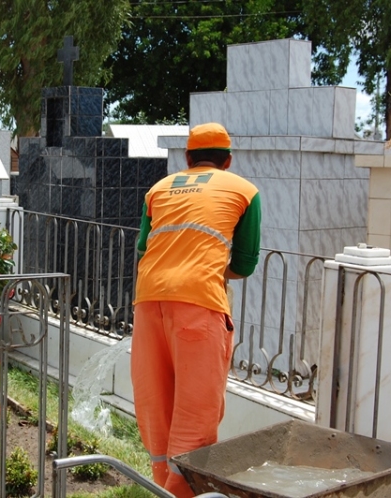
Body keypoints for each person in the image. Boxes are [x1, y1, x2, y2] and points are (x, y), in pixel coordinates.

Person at [131, 122, 261, 497]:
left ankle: (162, 487)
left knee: (157, 407)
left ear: (187, 158)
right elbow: (246, 262)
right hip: (199, 305)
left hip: (148, 301)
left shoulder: (157, 190)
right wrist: (210, 269)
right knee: (196, 417)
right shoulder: (245, 191)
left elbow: (144, 247)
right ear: (228, 161)